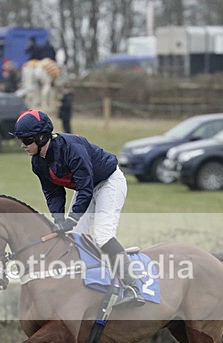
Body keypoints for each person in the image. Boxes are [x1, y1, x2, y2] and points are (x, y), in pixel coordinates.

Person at [11, 109, 145, 306]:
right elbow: (53, 192)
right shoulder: (37, 162)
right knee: (74, 238)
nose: (23, 145)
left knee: (102, 235)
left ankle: (132, 286)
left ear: (41, 137)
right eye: (21, 140)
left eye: (27, 140)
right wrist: (58, 219)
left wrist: (71, 218)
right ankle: (87, 286)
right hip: (86, 189)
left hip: (108, 182)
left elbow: (85, 187)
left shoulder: (72, 149)